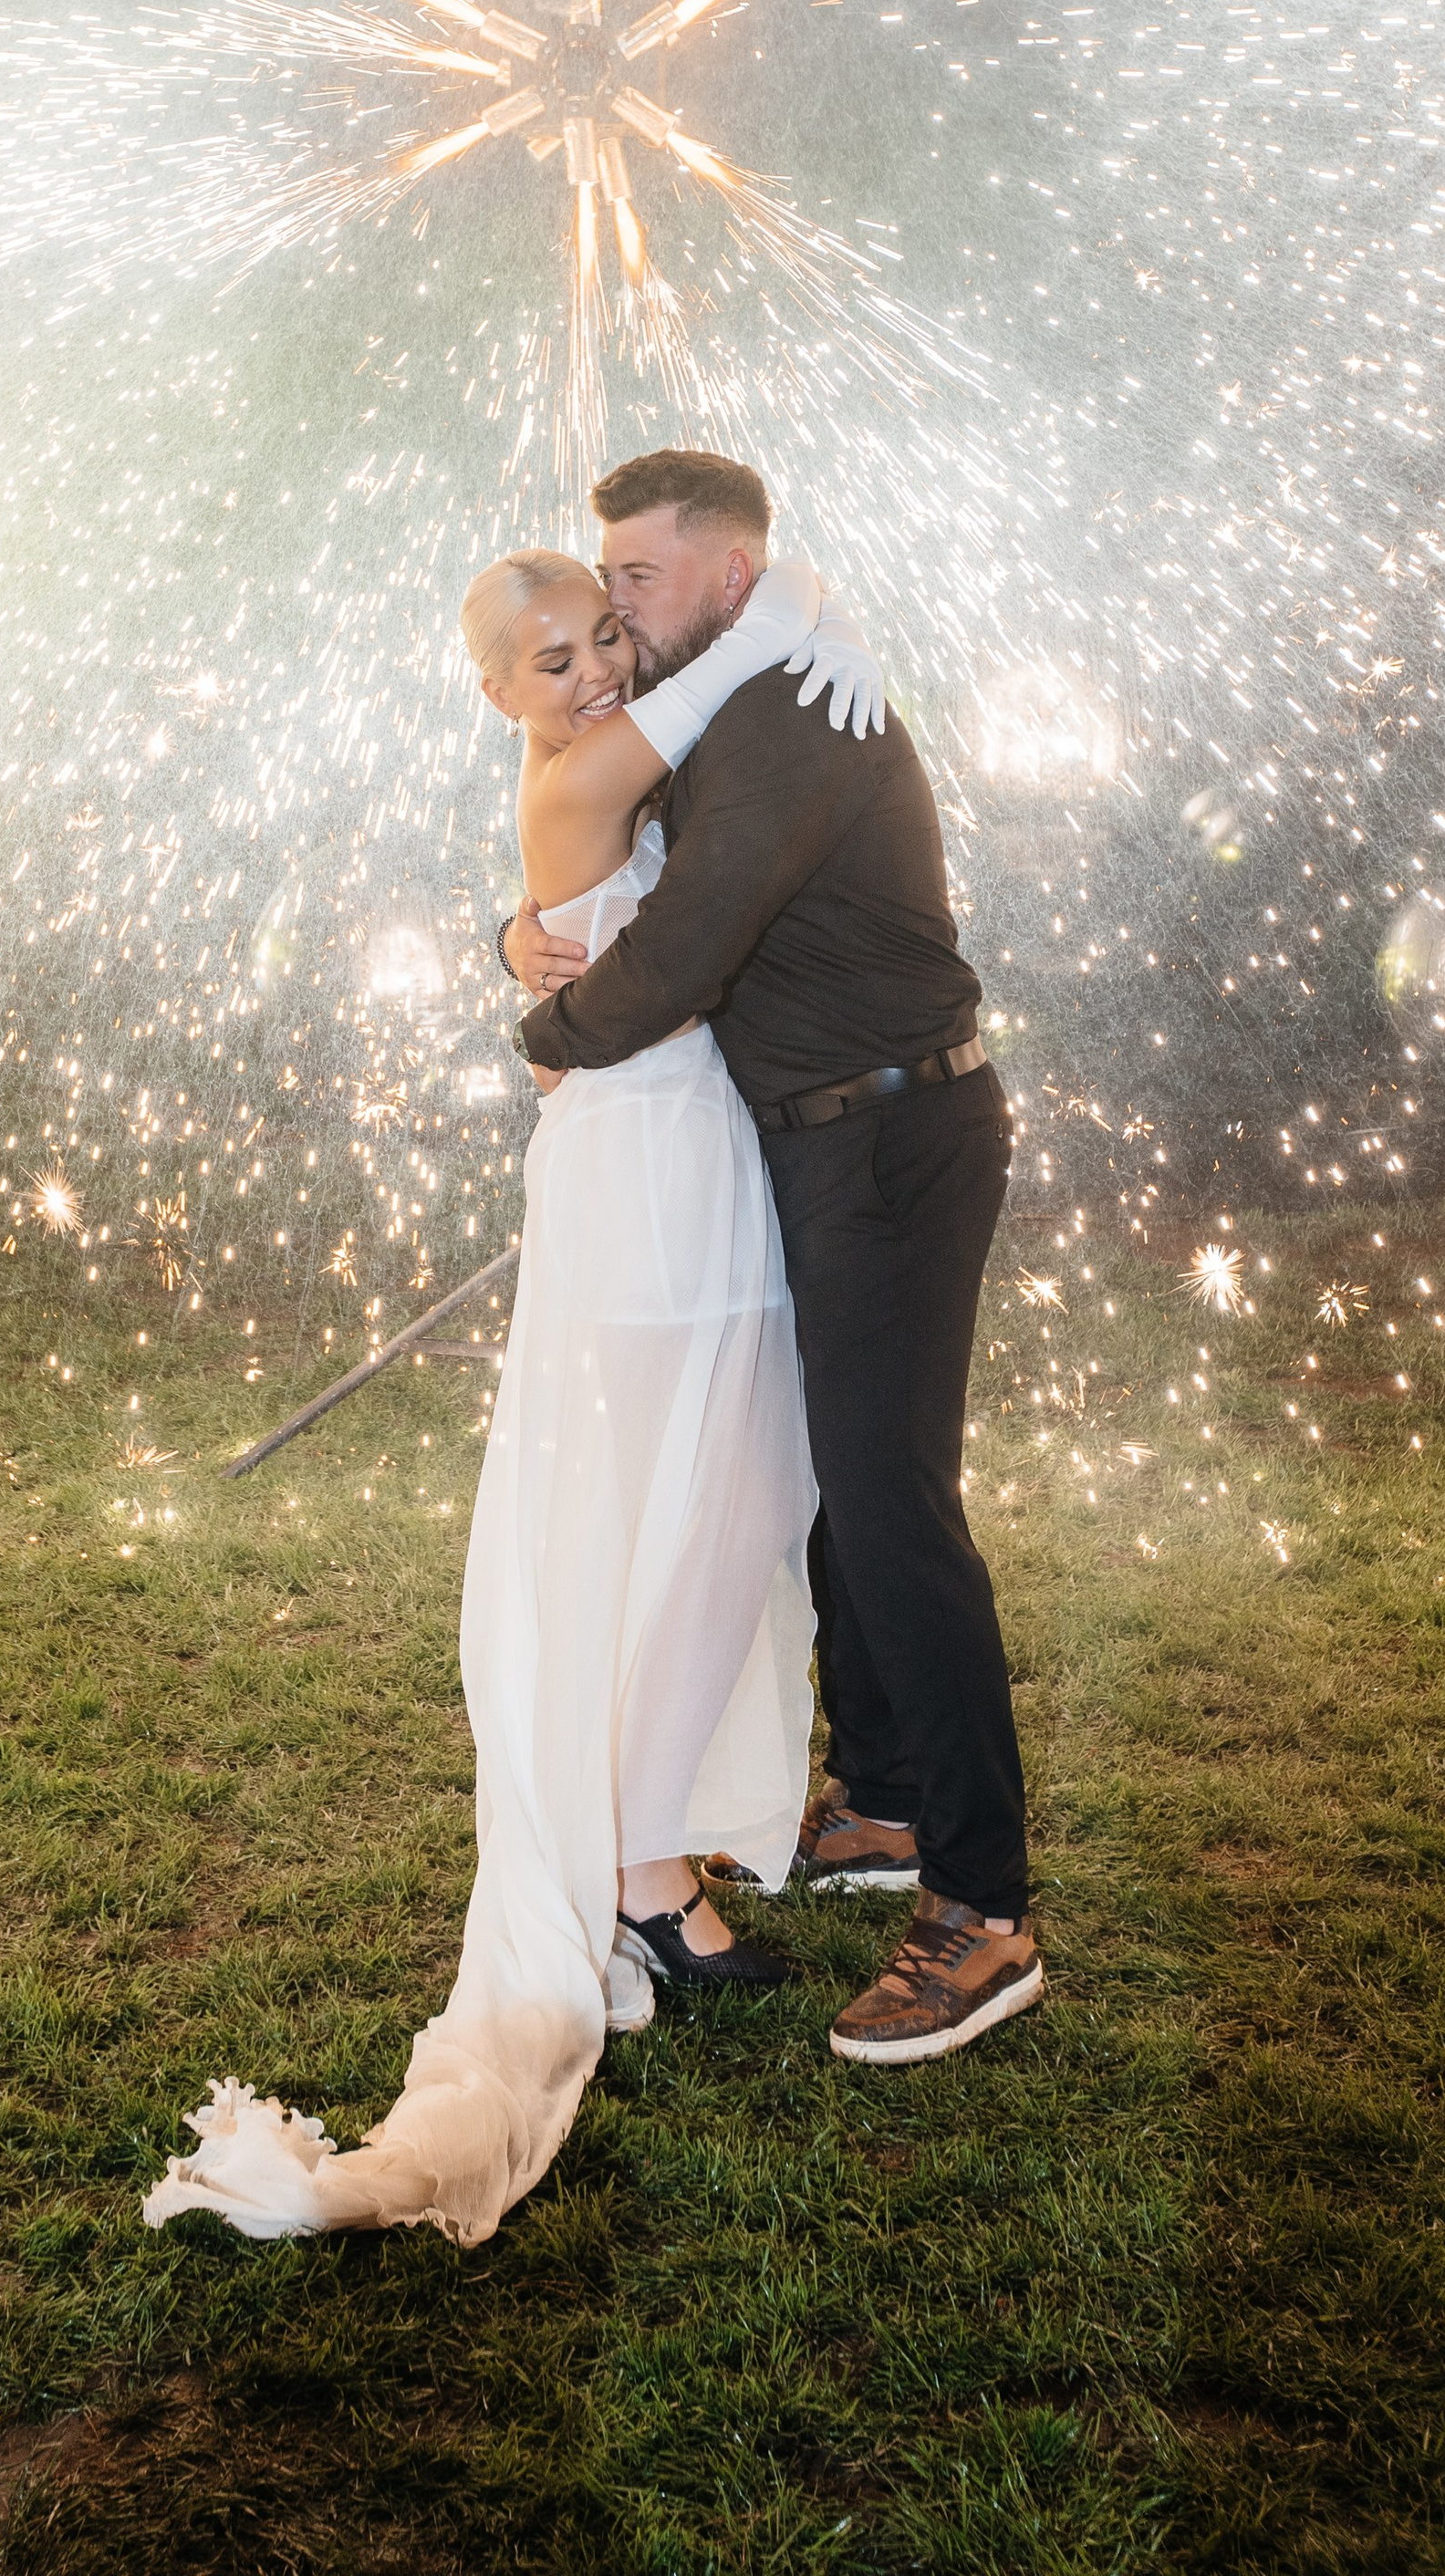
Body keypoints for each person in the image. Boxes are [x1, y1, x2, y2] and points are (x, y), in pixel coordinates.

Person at [143, 541, 883, 2246]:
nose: (599, 670)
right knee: (686, 1505)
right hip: (647, 1175)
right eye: (554, 659)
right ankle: (636, 1878)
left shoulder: (604, 762)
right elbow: (714, 685)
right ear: (495, 696)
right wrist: (795, 606)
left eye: (608, 636)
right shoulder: (577, 782)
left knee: (734, 1503)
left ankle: (643, 1850)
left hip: (693, 1154)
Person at [507, 449, 1042, 2071]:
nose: (618, 611)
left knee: (889, 1503)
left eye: (642, 579)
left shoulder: (794, 706)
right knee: (832, 1483)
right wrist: (514, 939)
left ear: (731, 575)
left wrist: (542, 1034)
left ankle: (983, 1913)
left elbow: (684, 942)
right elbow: (613, 863)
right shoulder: (729, 696)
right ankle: (881, 1798)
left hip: (891, 1137)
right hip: (812, 1140)